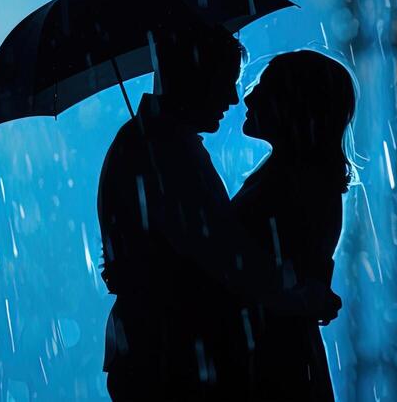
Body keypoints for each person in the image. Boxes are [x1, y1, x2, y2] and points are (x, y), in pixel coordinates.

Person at [97, 23, 339, 400]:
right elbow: (229, 259)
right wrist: (304, 297)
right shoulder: (167, 154)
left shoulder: (160, 146)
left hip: (167, 359)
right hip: (170, 363)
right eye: (224, 81)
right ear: (193, 77)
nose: (234, 97)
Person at [230, 50, 357, 402]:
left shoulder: (292, 186)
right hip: (282, 361)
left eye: (266, 88)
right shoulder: (300, 182)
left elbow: (255, 277)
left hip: (271, 365)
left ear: (295, 106)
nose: (250, 94)